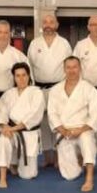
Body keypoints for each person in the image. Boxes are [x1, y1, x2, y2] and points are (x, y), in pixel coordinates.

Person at [48, 56, 97, 192]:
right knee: (69, 176)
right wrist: (63, 130)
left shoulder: (89, 89)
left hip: (83, 129)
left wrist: (81, 130)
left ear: (80, 68)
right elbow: (52, 113)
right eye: (68, 67)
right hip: (64, 131)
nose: (72, 71)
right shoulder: (55, 90)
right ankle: (78, 160)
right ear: (64, 69)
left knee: (87, 142)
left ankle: (89, 178)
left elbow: (95, 115)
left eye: (75, 67)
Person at [27, 13, 73, 168]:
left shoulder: (64, 44)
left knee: (60, 121)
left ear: (57, 25)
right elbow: (29, 67)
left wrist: (69, 88)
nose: (48, 25)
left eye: (51, 22)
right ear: (42, 25)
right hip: (39, 88)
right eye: (45, 22)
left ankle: (60, 157)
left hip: (59, 88)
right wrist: (31, 89)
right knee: (44, 122)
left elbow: (70, 67)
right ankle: (48, 157)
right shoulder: (34, 43)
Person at [0, 62, 45, 188]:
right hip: (11, 131)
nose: (21, 79)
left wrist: (13, 128)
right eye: (18, 76)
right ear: (14, 77)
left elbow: (34, 116)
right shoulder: (8, 94)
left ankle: (15, 162)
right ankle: (2, 177)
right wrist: (5, 127)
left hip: (28, 132)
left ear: (29, 76)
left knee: (28, 175)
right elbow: (1, 112)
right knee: (3, 140)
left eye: (24, 75)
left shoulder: (36, 92)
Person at [0, 19, 28, 98]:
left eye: (6, 32)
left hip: (11, 96)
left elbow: (27, 78)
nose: (3, 36)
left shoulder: (18, 55)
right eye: (0, 32)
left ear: (10, 34)